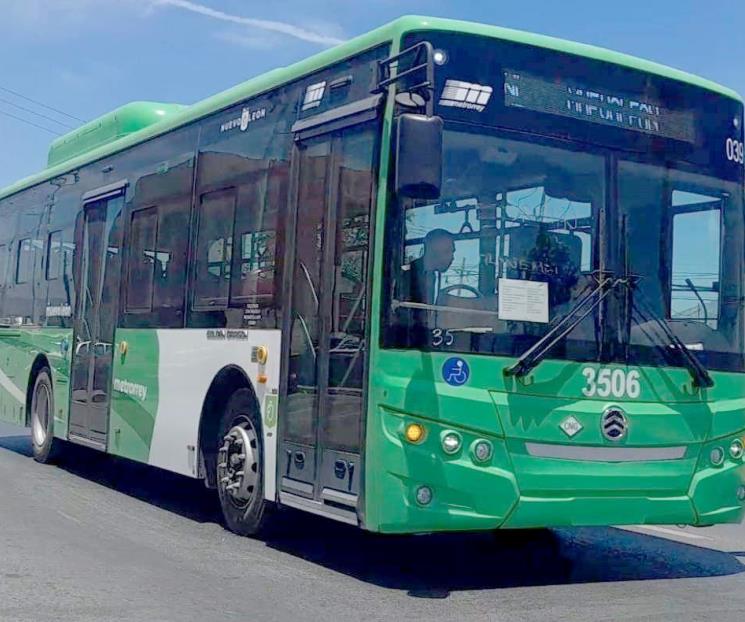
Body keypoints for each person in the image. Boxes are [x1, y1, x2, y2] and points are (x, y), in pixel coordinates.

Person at [403, 228, 455, 305]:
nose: (452, 258)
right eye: (447, 251)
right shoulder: (406, 274)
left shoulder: (432, 275)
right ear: (433, 249)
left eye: (452, 252)